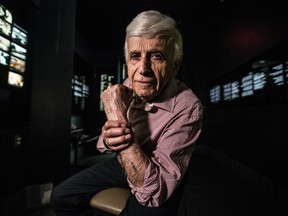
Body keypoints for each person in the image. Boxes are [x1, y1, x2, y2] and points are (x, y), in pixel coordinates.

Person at [51, 10, 203, 216]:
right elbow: (104, 145)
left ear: (174, 66)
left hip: (161, 174)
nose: (143, 69)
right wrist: (110, 134)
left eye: (156, 56)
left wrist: (117, 119)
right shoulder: (127, 86)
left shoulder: (188, 107)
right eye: (135, 57)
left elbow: (155, 192)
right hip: (123, 164)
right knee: (61, 196)